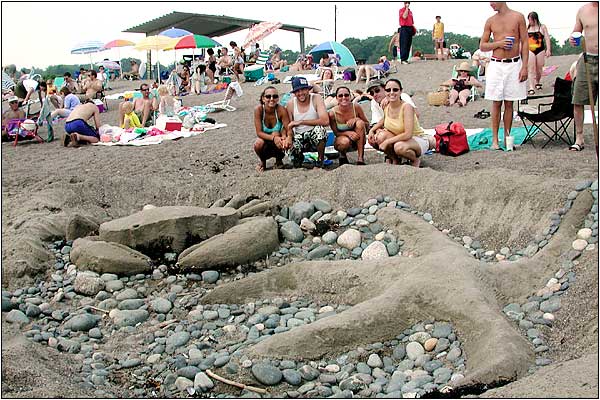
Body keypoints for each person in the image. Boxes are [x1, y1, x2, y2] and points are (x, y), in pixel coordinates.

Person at [479, 1, 528, 151]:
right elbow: (483, 45)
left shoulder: (518, 17)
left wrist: (525, 66)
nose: (490, 4)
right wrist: (499, 43)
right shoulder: (491, 21)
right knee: (496, 102)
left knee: (509, 102)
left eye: (492, 1)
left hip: (514, 64)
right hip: (496, 64)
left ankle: (507, 137)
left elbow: (525, 42)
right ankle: (495, 140)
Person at [368, 79, 431, 167]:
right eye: (388, 90)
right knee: (377, 138)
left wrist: (387, 142)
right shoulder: (386, 105)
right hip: (398, 135)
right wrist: (372, 130)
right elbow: (384, 119)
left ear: (401, 91)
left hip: (415, 137)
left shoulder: (405, 105)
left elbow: (408, 133)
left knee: (399, 147)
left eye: (395, 90)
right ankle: (395, 159)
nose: (391, 92)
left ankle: (414, 160)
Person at [569, 2, 598, 152]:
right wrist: (573, 39)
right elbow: (576, 33)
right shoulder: (583, 10)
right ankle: (579, 138)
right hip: (587, 59)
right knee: (578, 99)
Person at [285, 77, 329, 168]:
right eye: (297, 91)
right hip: (299, 135)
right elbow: (289, 126)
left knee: (320, 130)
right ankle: (298, 160)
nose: (301, 93)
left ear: (308, 89)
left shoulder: (316, 98)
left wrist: (301, 122)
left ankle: (320, 160)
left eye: (303, 89)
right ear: (294, 93)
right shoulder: (290, 104)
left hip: (313, 133)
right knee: (290, 143)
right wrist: (289, 136)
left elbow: (325, 121)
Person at [253, 86, 291, 172]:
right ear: (263, 98)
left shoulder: (281, 110)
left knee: (277, 134)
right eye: (268, 96)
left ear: (278, 99)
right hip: (266, 141)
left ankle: (279, 159)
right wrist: (274, 138)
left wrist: (287, 137)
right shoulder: (258, 110)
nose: (271, 99)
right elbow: (259, 133)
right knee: (258, 143)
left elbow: (288, 127)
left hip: (279, 141)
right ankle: (263, 162)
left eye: (275, 96)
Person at [328, 86, 369, 166]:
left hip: (358, 138)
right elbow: (336, 132)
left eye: (346, 95)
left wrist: (356, 119)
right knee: (344, 142)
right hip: (343, 140)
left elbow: (367, 125)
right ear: (336, 98)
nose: (344, 98)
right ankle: (342, 155)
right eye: (340, 96)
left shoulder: (356, 107)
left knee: (360, 123)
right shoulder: (332, 114)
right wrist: (348, 133)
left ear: (350, 97)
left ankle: (360, 158)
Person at [527, 12, 552, 95]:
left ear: (535, 19)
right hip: (530, 49)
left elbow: (547, 38)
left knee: (539, 68)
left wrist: (548, 49)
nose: (529, 21)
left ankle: (537, 81)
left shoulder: (542, 27)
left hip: (540, 49)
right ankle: (531, 86)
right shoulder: (527, 28)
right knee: (531, 68)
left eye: (530, 20)